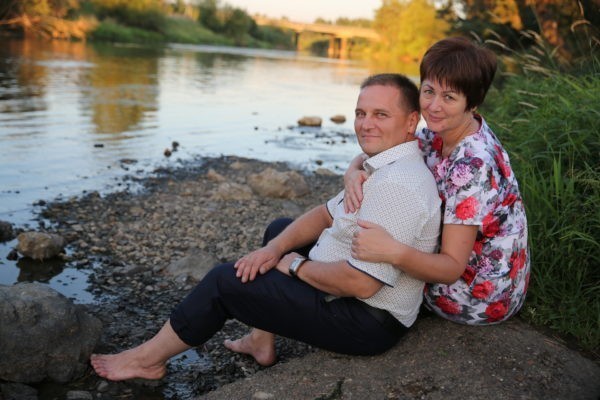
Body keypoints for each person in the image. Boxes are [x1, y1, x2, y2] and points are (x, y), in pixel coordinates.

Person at [90, 73, 442, 381]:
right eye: (361, 113)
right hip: (348, 290)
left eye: (381, 115)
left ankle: (147, 361)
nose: (365, 124)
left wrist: (295, 265)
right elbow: (324, 215)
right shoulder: (382, 164)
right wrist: (275, 250)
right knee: (280, 230)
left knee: (224, 282)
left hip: (364, 320)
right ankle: (261, 341)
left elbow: (361, 283)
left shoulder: (398, 185)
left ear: (411, 121)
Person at [344, 37, 530, 325]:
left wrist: (392, 250)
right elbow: (386, 151)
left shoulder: (473, 164)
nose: (433, 106)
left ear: (472, 103)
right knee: (354, 246)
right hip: (461, 265)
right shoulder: (439, 132)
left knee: (359, 265)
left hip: (476, 293)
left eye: (449, 97)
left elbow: (452, 268)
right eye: (429, 91)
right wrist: (352, 171)